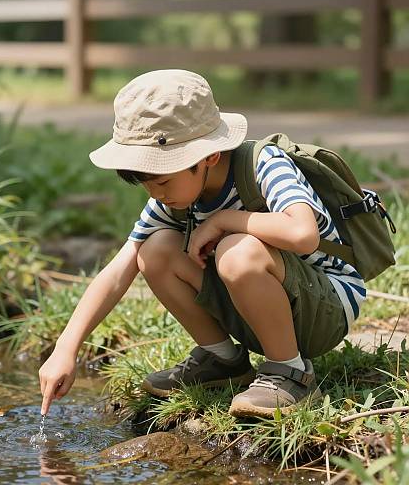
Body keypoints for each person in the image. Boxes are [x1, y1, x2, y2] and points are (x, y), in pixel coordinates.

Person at [39, 69, 366, 418]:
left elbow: (303, 234)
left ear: (208, 156)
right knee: (154, 250)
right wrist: (66, 347)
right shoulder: (176, 196)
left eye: (163, 181)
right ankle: (223, 361)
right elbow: (121, 267)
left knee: (236, 251)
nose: (157, 195)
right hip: (258, 310)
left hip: (324, 308)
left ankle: (291, 371)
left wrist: (224, 220)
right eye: (147, 184)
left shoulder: (263, 165)